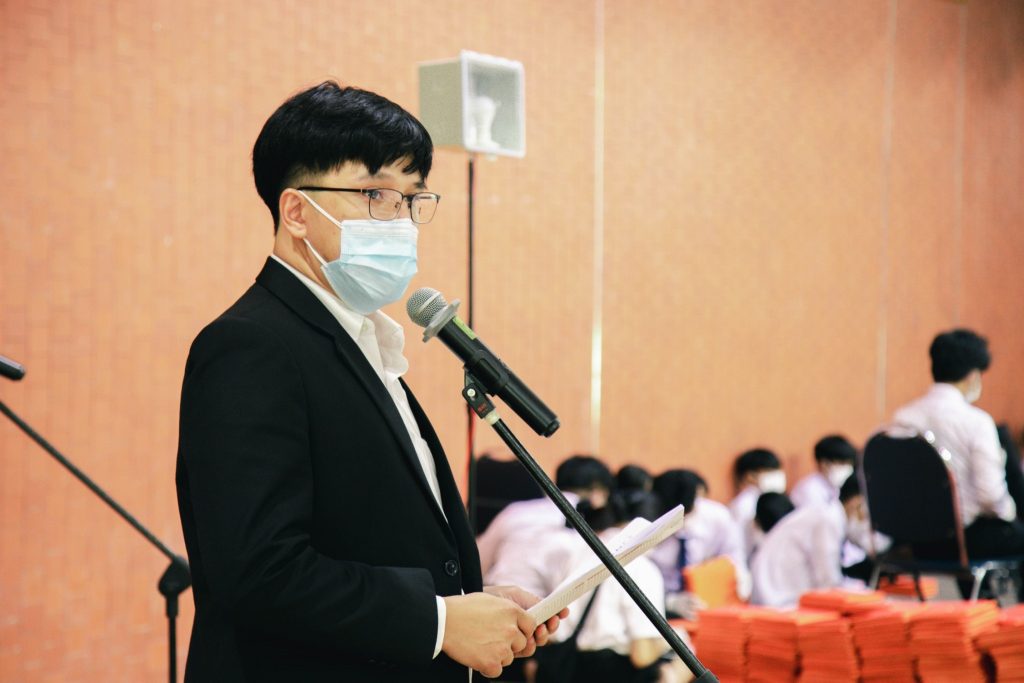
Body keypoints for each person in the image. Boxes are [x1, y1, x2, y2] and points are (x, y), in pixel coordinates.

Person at [175, 81, 562, 682]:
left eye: (411, 198)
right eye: (376, 193)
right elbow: (256, 571)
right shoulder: (250, 346)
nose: (400, 219)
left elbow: (374, 537)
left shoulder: (365, 342)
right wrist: (438, 622)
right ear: (297, 212)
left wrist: (472, 604)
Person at [892, 329, 1024, 565]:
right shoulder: (977, 422)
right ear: (973, 376)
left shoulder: (901, 420)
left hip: (915, 542)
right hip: (967, 541)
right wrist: (1011, 514)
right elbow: (990, 496)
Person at [537, 492, 692, 683]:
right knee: (683, 660)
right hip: (611, 672)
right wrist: (673, 640)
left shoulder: (574, 554)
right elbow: (642, 655)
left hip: (562, 666)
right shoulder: (642, 567)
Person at [478, 455, 614, 596]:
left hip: (493, 600)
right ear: (599, 493)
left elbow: (478, 563)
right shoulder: (589, 528)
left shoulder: (515, 511)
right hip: (543, 606)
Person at [750, 476, 872, 608]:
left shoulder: (827, 515)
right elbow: (829, 583)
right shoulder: (828, 520)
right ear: (856, 502)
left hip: (778, 596)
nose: (865, 520)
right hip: (779, 602)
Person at [649, 469, 750, 608]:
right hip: (658, 601)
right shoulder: (648, 523)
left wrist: (738, 578)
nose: (681, 522)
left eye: (685, 515)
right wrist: (668, 602)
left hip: (708, 600)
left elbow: (734, 557)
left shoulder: (718, 517)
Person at [728, 448, 785, 557]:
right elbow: (740, 543)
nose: (777, 476)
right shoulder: (743, 505)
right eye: (770, 472)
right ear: (750, 476)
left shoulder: (775, 499)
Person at [790, 435, 857, 509]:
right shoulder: (808, 489)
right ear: (824, 464)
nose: (848, 468)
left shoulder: (839, 487)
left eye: (850, 464)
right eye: (842, 463)